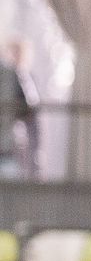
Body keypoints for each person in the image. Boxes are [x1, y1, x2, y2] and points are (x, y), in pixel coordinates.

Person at [1, 39, 38, 179]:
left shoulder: (16, 75)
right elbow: (28, 111)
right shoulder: (13, 75)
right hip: (7, 148)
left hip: (7, 148)